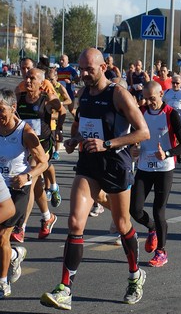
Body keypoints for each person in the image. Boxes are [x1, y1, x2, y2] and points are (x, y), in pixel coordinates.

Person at [40, 48, 150, 310]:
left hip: (115, 164)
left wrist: (108, 143)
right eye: (81, 68)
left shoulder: (119, 94)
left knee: (122, 223)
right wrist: (73, 139)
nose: (84, 74)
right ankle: (65, 288)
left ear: (103, 67)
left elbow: (143, 132)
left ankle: (136, 275)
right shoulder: (83, 93)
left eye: (89, 69)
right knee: (75, 221)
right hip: (88, 164)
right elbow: (80, 124)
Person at [130, 81, 181, 267]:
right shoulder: (142, 112)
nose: (149, 102)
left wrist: (168, 153)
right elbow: (133, 135)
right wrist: (133, 148)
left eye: (152, 98)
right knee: (135, 209)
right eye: (146, 98)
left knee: (158, 210)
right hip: (144, 167)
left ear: (161, 93)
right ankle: (152, 228)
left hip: (164, 168)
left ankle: (161, 251)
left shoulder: (171, 114)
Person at [0, 88, 48, 299]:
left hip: (18, 189)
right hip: (0, 189)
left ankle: (3, 283)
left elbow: (43, 163)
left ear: (13, 108)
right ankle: (15, 254)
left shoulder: (25, 132)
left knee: (2, 236)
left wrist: (27, 176)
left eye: (1, 110)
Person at [14, 68, 61, 242]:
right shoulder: (19, 99)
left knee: (30, 180)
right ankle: (47, 217)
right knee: (37, 186)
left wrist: (59, 129)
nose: (28, 81)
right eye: (26, 77)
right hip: (25, 146)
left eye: (32, 78)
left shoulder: (45, 100)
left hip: (43, 146)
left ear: (41, 82)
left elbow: (60, 108)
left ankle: (21, 227)